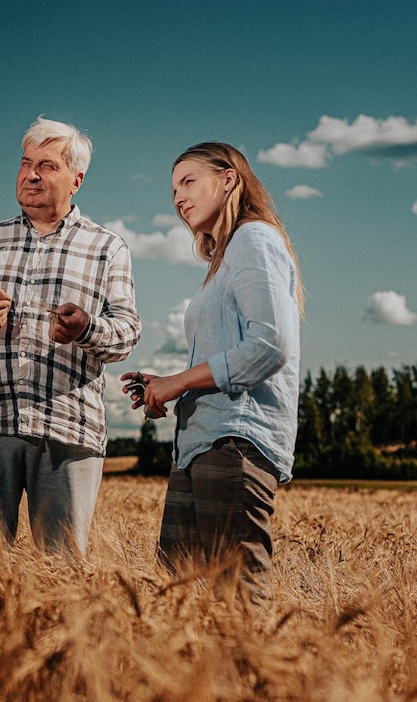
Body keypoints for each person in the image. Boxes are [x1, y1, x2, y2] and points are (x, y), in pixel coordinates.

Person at [0, 116, 141, 556]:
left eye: (47, 165)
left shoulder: (107, 247)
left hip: (68, 429)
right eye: (26, 163)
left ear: (76, 179)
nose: (30, 174)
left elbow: (125, 335)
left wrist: (86, 328)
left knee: (60, 576)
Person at [122, 142, 304, 599]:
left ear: (228, 180)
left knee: (237, 599)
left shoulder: (254, 238)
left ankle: (252, 673)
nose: (178, 198)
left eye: (188, 182)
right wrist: (167, 389)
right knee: (177, 598)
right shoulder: (227, 257)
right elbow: (229, 352)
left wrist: (179, 382)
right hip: (202, 444)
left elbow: (269, 345)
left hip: (234, 442)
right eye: (172, 190)